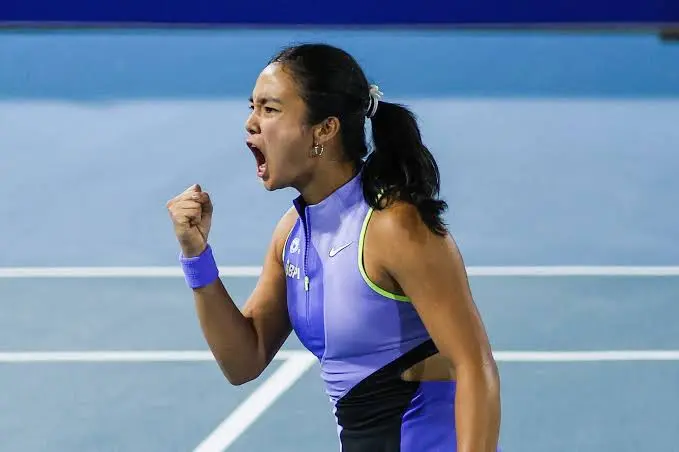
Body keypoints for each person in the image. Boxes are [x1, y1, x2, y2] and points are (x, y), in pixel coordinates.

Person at [166, 43, 501, 452]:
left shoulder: (394, 226)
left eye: (270, 109)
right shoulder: (292, 233)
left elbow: (474, 367)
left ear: (324, 129)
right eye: (252, 107)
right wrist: (196, 257)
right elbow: (243, 360)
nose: (251, 123)